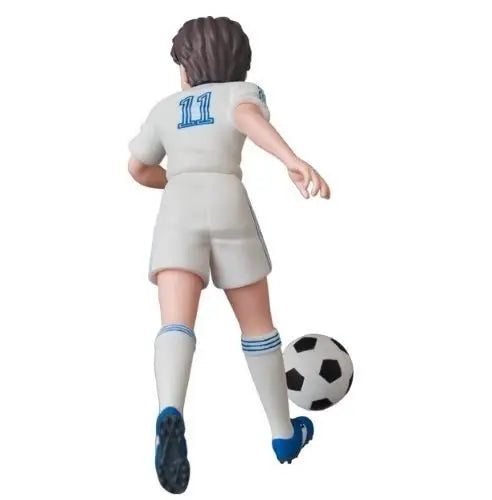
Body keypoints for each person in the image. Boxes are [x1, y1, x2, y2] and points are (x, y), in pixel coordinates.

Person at [128, 16, 330, 494]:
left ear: (186, 67)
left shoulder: (165, 109)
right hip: (228, 202)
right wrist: (292, 160)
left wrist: (179, 179)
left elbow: (138, 168)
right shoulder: (241, 93)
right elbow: (248, 119)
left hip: (178, 209)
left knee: (176, 324)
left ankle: (170, 409)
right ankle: (282, 434)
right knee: (257, 326)